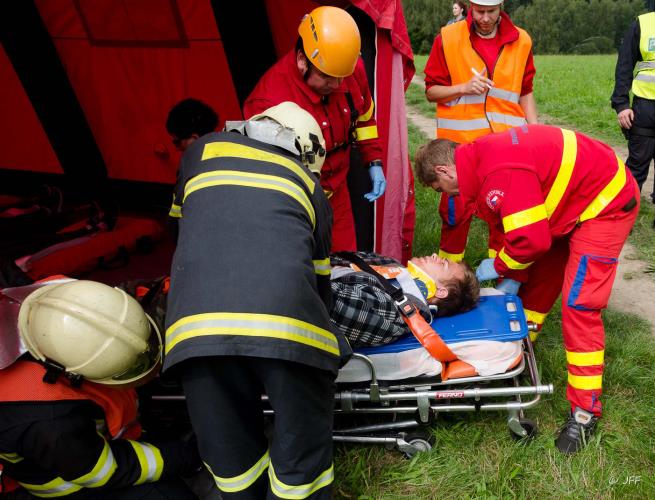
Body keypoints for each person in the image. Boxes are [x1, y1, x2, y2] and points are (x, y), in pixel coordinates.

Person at [413, 124, 640, 454]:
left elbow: (531, 241)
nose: (448, 196)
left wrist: (503, 267)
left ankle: (585, 411)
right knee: (535, 290)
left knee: (580, 305)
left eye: (440, 188)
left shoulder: (498, 172)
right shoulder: (477, 165)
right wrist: (511, 269)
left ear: (444, 170)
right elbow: (508, 228)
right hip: (568, 205)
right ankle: (511, 356)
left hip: (605, 203)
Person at [164, 101, 347, 499]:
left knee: (232, 461)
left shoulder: (201, 153)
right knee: (303, 461)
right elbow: (319, 286)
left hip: (195, 332)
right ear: (304, 153)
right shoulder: (310, 187)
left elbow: (182, 233)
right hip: (287, 329)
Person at [0, 279, 202, 499]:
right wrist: (181, 456)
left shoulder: (62, 297)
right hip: (77, 478)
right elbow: (101, 471)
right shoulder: (45, 421)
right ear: (68, 373)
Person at [243, 6, 386, 253]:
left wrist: (373, 160)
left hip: (337, 190)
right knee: (301, 267)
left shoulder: (349, 70)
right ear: (302, 60)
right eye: (328, 77)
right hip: (293, 201)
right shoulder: (268, 100)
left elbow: (364, 118)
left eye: (342, 77)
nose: (338, 84)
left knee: (345, 262)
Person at [424, 0, 538, 262]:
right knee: (455, 213)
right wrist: (462, 87)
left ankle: (499, 272)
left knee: (504, 211)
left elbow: (526, 91)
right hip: (460, 149)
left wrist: (534, 130)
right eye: (479, 12)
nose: (485, 18)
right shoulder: (447, 37)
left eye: (491, 12)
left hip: (505, 146)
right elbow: (431, 91)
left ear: (501, 7)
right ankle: (448, 274)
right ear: (469, 8)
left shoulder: (522, 40)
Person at [330, 252, 479, 347]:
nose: (434, 255)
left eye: (443, 263)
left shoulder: (396, 314)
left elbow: (328, 302)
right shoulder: (391, 264)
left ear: (440, 291)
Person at [611, 10, 655, 216]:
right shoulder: (644, 23)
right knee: (637, 164)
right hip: (645, 107)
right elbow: (624, 65)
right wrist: (621, 104)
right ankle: (622, 215)